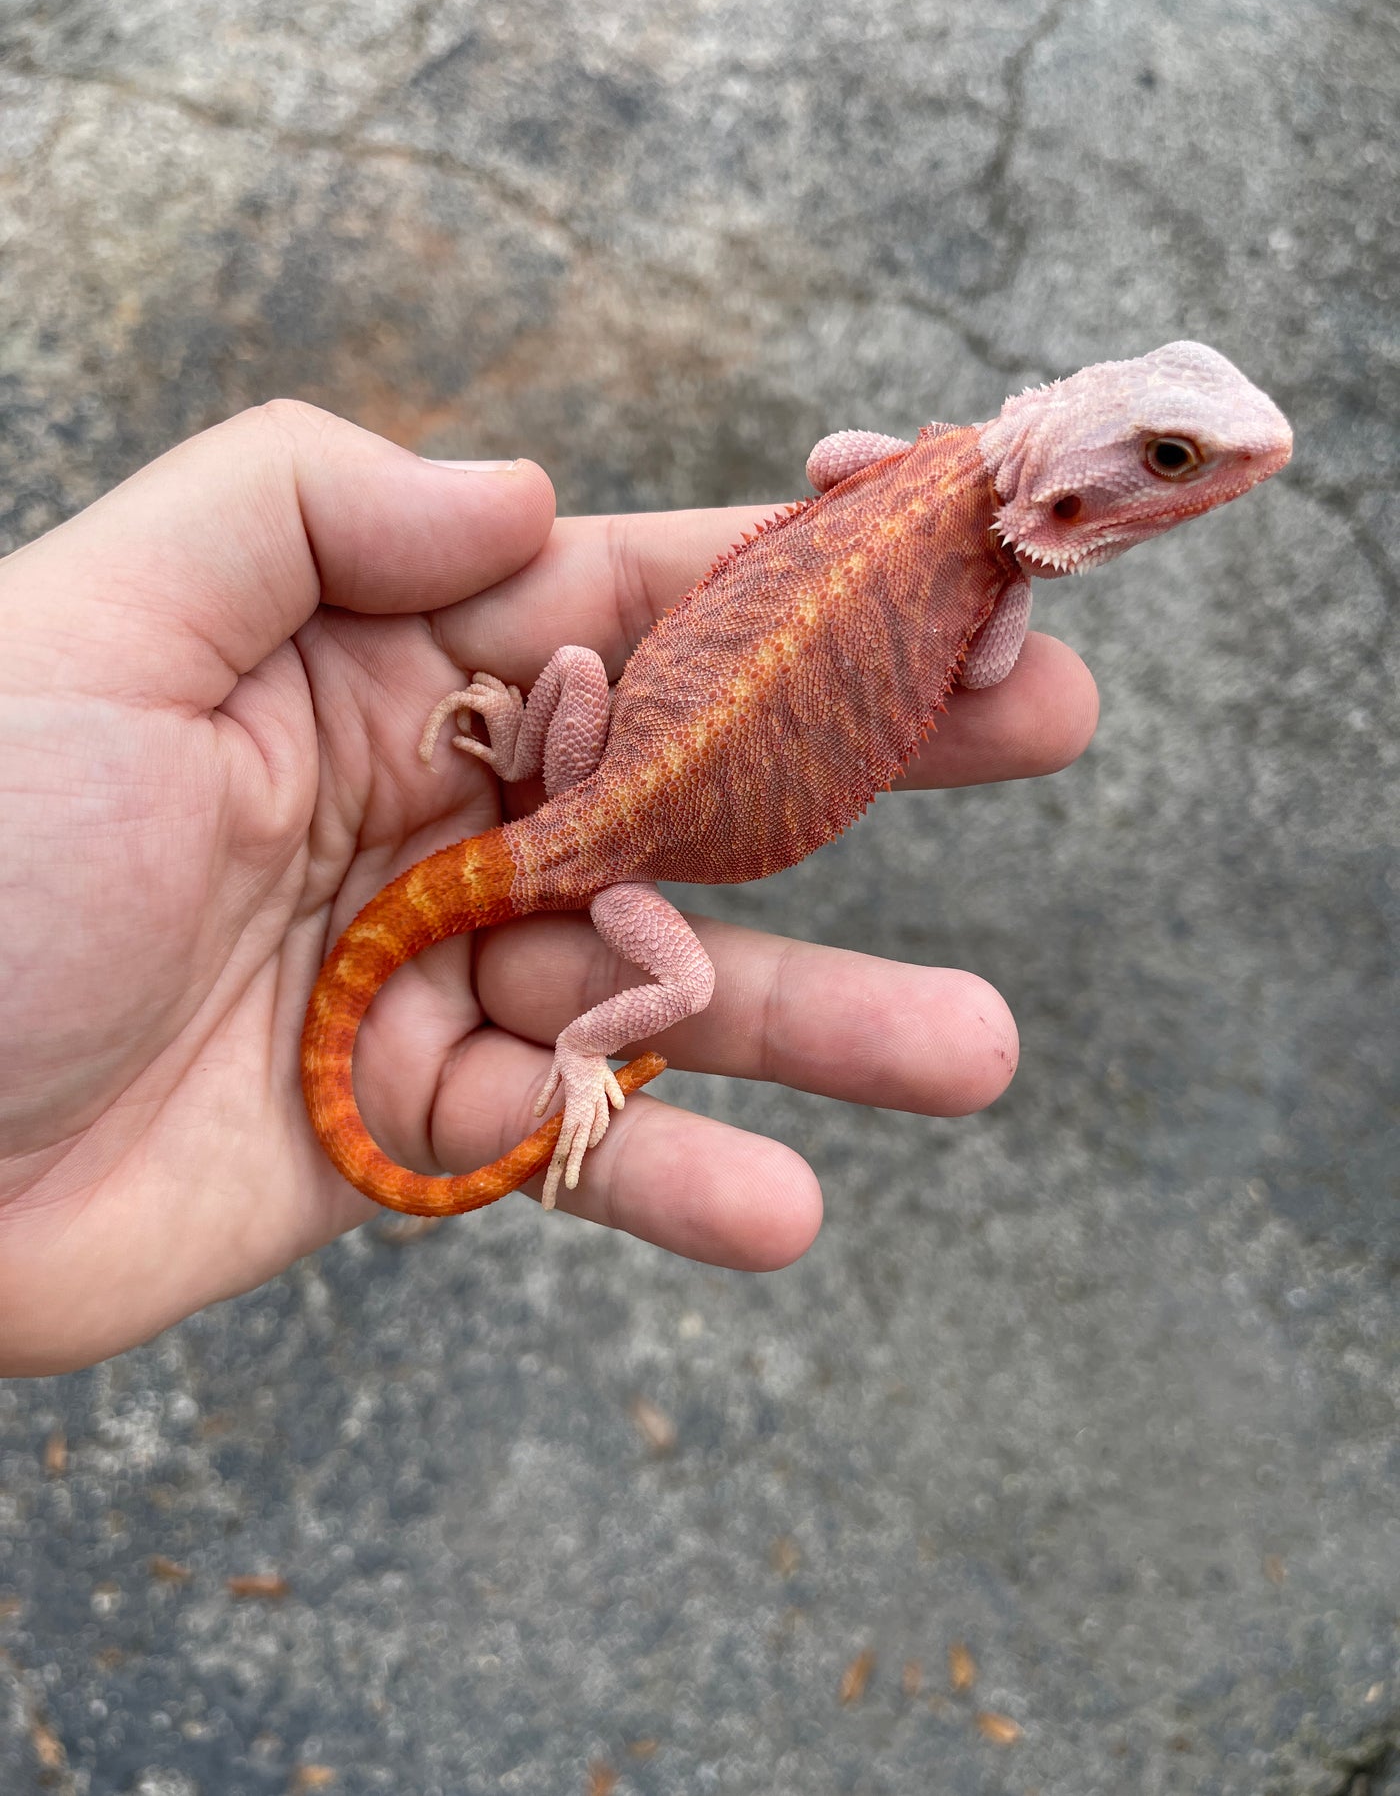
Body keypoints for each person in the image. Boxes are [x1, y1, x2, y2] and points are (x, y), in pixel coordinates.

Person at [0, 401, 1098, 1375]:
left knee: (576, 663)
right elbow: (990, 672)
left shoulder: (919, 459)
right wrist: (1022, 572)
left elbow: (829, 454)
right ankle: (581, 1048)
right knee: (691, 978)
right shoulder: (1004, 554)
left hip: (579, 774)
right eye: (1165, 458)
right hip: (608, 851)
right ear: (1053, 501)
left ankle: (514, 741)